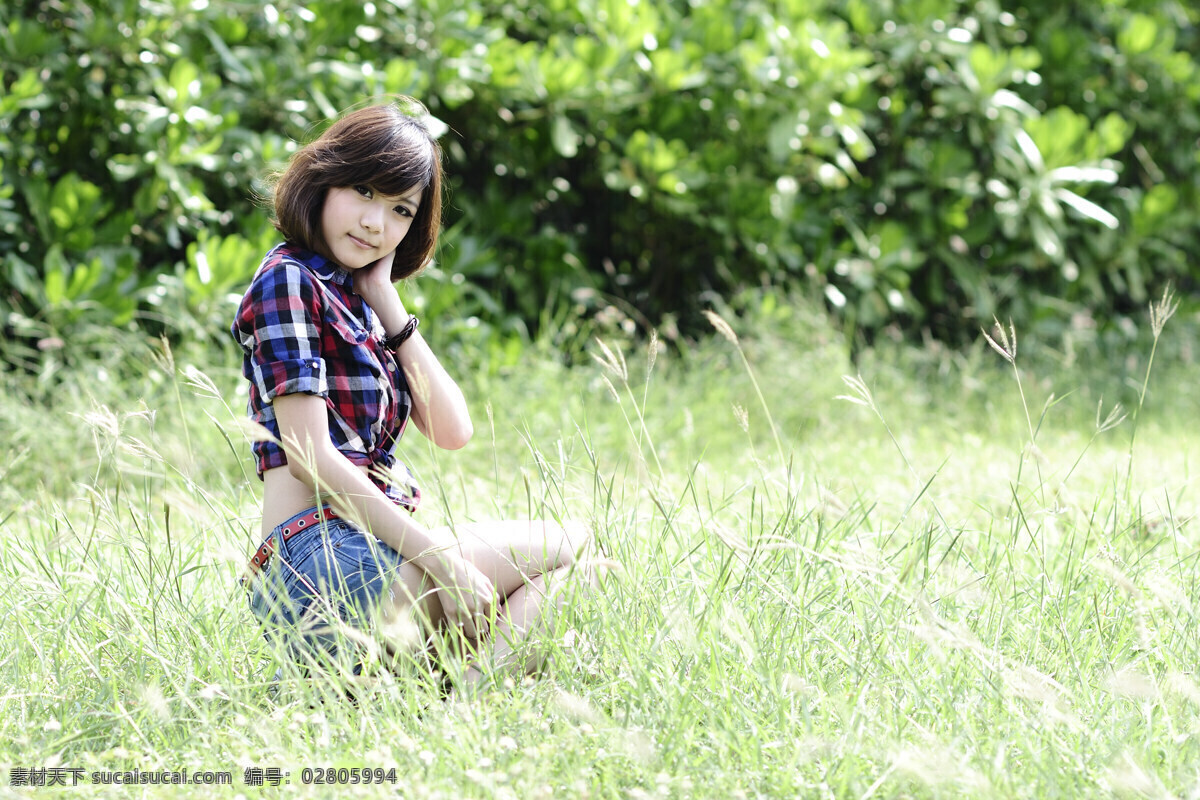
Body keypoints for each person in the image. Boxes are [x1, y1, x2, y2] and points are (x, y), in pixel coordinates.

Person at [232, 98, 593, 688]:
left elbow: (453, 432)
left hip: (371, 555)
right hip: (314, 562)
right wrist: (442, 561)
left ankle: (454, 701)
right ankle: (460, 701)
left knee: (582, 575)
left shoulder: (357, 299)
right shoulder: (287, 279)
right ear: (322, 181)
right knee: (568, 547)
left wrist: (387, 302)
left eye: (400, 208)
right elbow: (311, 458)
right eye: (363, 191)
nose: (376, 223)